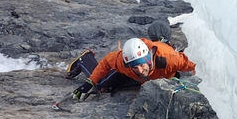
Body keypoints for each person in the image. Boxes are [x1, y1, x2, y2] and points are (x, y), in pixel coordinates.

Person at [66, 37, 196, 100]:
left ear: (148, 59)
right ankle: (85, 59)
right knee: (100, 86)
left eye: (141, 65)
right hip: (135, 76)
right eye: (135, 67)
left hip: (152, 76)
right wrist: (90, 82)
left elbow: (199, 64)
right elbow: (106, 62)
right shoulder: (122, 61)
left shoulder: (169, 59)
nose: (140, 70)